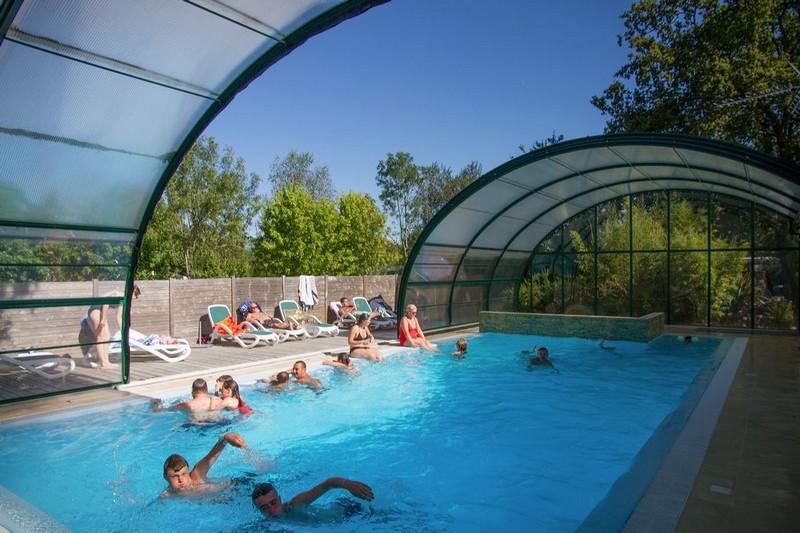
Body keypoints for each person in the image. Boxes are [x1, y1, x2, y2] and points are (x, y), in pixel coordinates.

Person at [161, 432, 248, 497]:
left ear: (188, 471)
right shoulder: (168, 495)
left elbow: (212, 456)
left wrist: (226, 438)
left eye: (184, 474)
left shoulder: (197, 475)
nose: (180, 480)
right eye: (175, 476)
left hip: (238, 488)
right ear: (165, 477)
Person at [78, 283, 141, 369]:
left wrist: (123, 332)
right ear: (132, 292)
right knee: (101, 337)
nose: (135, 298)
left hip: (100, 310)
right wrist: (103, 319)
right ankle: (103, 363)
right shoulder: (120, 295)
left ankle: (106, 362)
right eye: (136, 296)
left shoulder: (124, 300)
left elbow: (118, 317)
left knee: (107, 336)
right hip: (96, 309)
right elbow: (106, 302)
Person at [251, 477, 374, 518]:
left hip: (348, 510)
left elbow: (329, 483)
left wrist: (349, 485)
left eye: (273, 503)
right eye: (264, 508)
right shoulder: (266, 524)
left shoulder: (294, 504)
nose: (272, 510)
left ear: (280, 499)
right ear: (258, 510)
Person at [151, 378, 225, 415]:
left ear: (193, 391)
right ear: (206, 390)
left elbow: (157, 411)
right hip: (217, 424)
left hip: (197, 426)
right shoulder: (217, 400)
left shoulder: (187, 405)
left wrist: (155, 403)